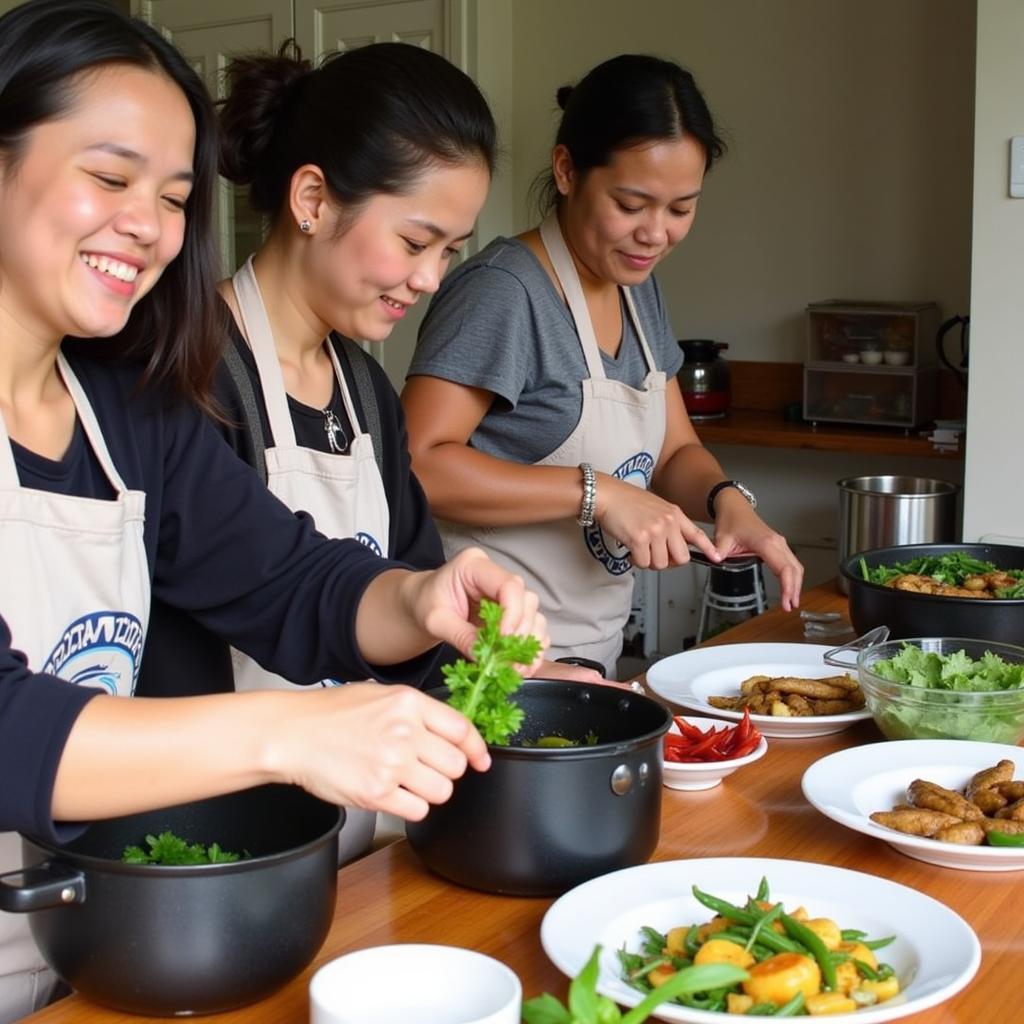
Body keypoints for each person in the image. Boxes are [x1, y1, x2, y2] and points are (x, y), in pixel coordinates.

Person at [0, 2, 547, 1019]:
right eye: (110, 178)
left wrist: (425, 594)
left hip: (100, 951)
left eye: (171, 196)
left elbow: (291, 581)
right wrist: (288, 731)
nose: (151, 226)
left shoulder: (127, 413)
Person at [402, 54, 804, 677]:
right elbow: (418, 465)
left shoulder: (636, 290)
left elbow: (673, 452)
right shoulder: (503, 293)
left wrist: (729, 502)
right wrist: (598, 493)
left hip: (590, 655)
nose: (655, 234)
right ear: (566, 170)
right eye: (632, 203)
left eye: (680, 209)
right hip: (485, 659)